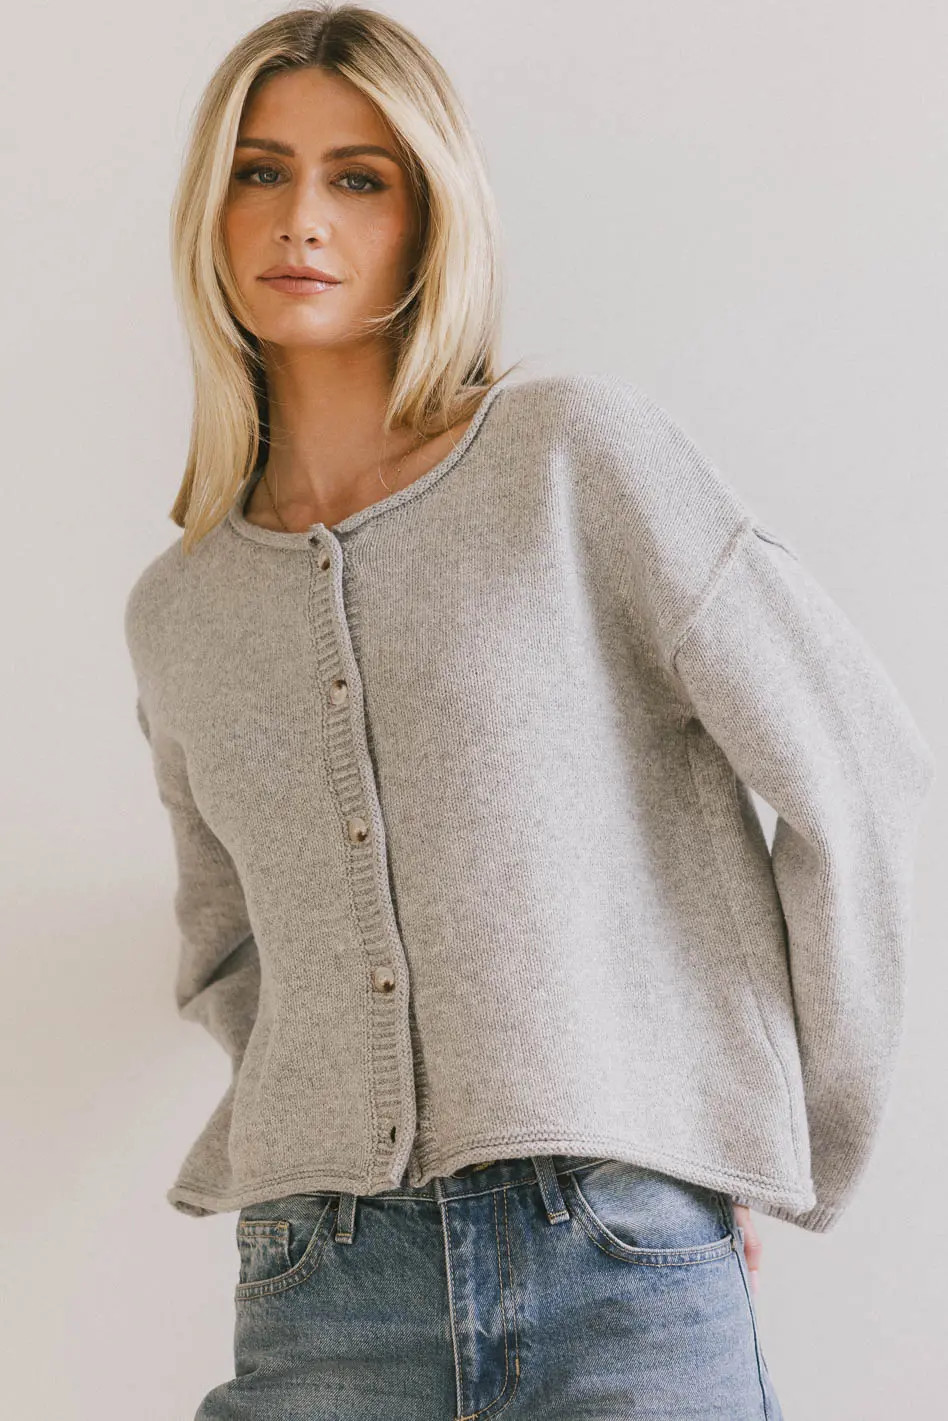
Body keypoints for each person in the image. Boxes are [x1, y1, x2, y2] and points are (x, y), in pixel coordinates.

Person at [123, 6, 935, 1419]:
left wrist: (763, 1135)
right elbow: (227, 950)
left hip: (622, 1258)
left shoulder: (572, 461)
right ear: (211, 208)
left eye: (358, 177)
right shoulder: (179, 607)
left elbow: (854, 772)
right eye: (261, 171)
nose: (302, 216)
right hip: (323, 1285)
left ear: (429, 215)